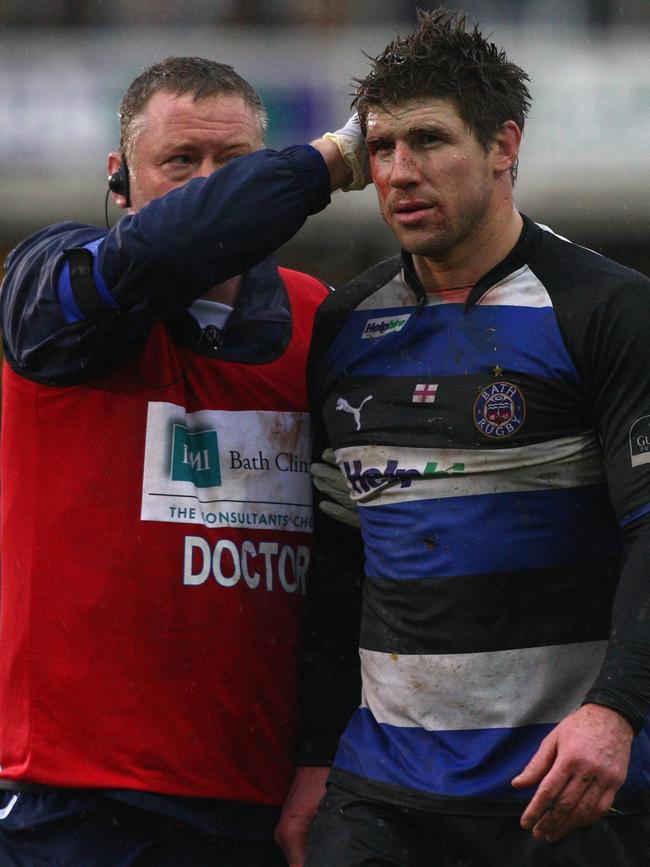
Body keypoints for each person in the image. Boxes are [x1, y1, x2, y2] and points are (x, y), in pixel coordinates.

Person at [276, 9, 650, 866]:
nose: (400, 172)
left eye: (430, 140)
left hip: (560, 790)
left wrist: (617, 708)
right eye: (381, 148)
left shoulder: (607, 312)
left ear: (504, 145)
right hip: (383, 793)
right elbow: (338, 555)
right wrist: (313, 753)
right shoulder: (344, 325)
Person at [0, 56, 367, 866]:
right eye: (179, 163)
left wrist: (320, 753)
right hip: (71, 798)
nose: (206, 187)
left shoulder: (319, 320)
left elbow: (346, 567)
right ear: (119, 181)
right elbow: (164, 252)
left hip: (257, 804)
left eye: (231, 166)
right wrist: (328, 160)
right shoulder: (48, 283)